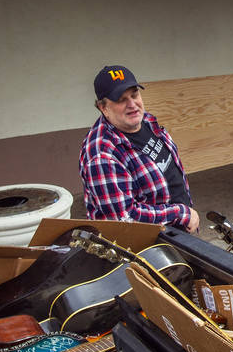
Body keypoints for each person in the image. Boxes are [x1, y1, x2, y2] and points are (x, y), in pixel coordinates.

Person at [79, 65, 200, 231]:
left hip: (176, 230)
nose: (132, 104)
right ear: (103, 107)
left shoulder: (146, 120)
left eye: (134, 94)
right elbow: (125, 218)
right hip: (145, 246)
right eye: (121, 99)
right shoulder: (102, 156)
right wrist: (180, 213)